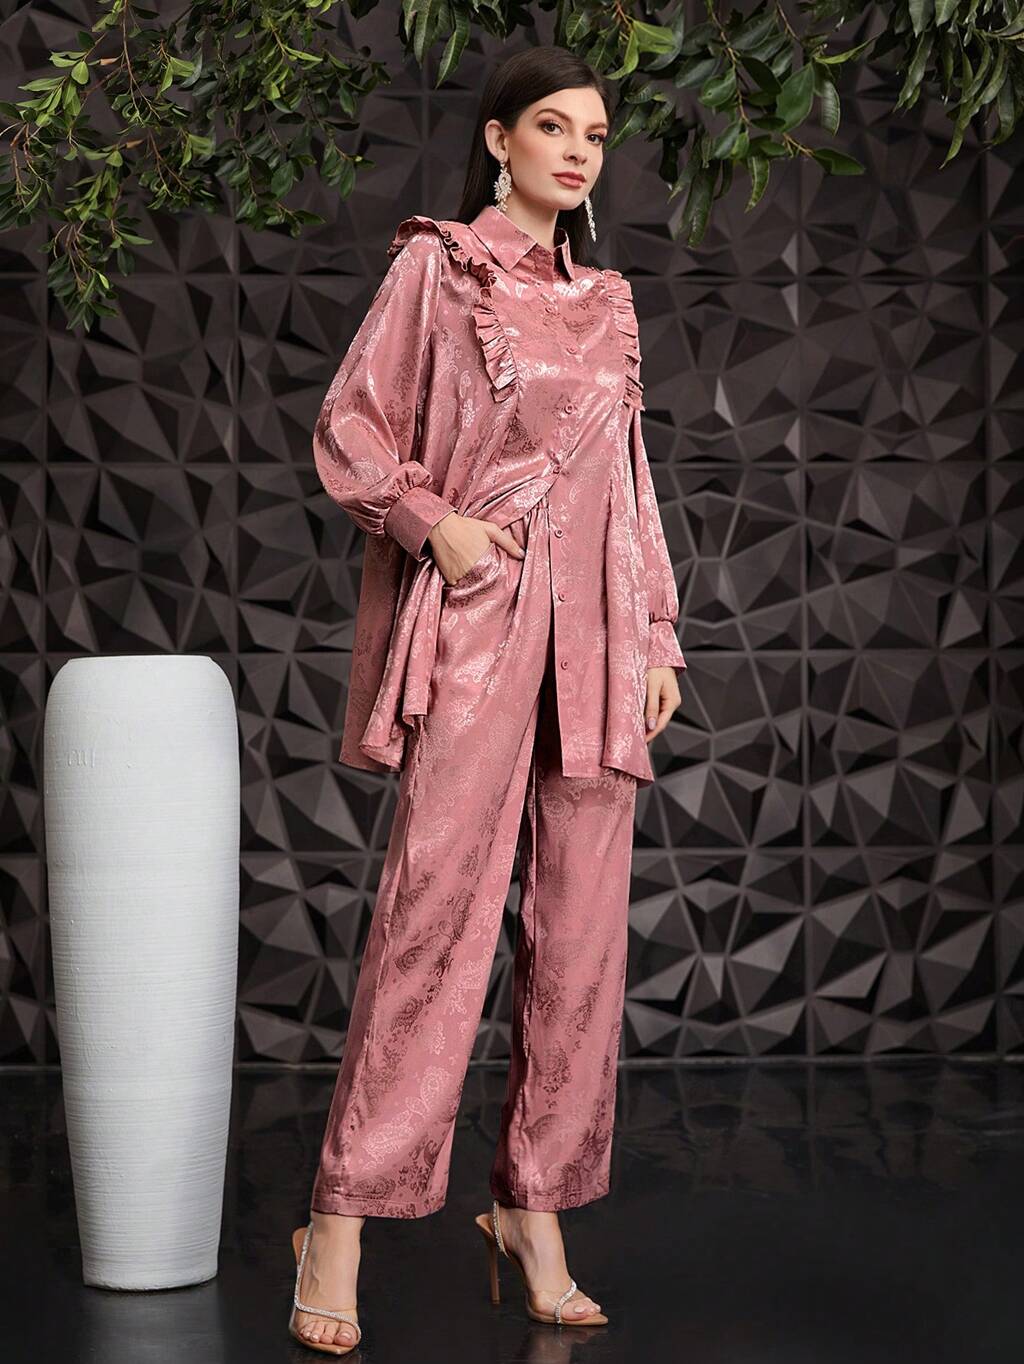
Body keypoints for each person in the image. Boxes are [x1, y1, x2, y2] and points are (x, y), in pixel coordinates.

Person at [288, 45, 687, 1355]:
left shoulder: (610, 302)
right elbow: (352, 424)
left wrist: (656, 633)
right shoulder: (440, 270)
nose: (578, 152)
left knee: (580, 944)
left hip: (599, 642)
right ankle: (339, 1220)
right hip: (482, 621)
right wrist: (432, 522)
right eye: (553, 128)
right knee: (433, 925)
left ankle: (536, 1212)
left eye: (597, 134)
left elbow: (628, 482)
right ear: (501, 140)